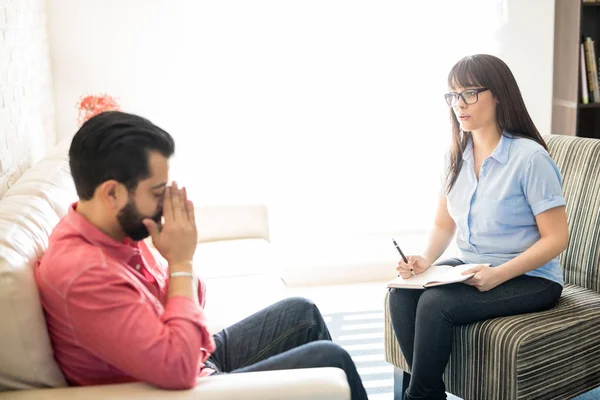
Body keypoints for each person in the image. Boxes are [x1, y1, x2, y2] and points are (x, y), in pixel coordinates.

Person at [35, 111, 368, 399]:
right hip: (183, 389)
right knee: (331, 357)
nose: (165, 202)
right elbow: (177, 369)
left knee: (301, 313)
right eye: (156, 192)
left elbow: (192, 302)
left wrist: (174, 259)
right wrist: (181, 261)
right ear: (112, 192)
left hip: (194, 359)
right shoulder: (83, 274)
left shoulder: (113, 230)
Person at [388, 54, 569, 400]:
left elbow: (557, 238)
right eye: (453, 96)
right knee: (401, 292)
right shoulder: (456, 155)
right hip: (471, 266)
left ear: (498, 94)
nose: (459, 104)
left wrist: (499, 275)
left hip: (531, 277)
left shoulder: (529, 158)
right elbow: (444, 224)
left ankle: (420, 396)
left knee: (435, 303)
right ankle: (427, 392)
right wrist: (424, 260)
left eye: (469, 93)